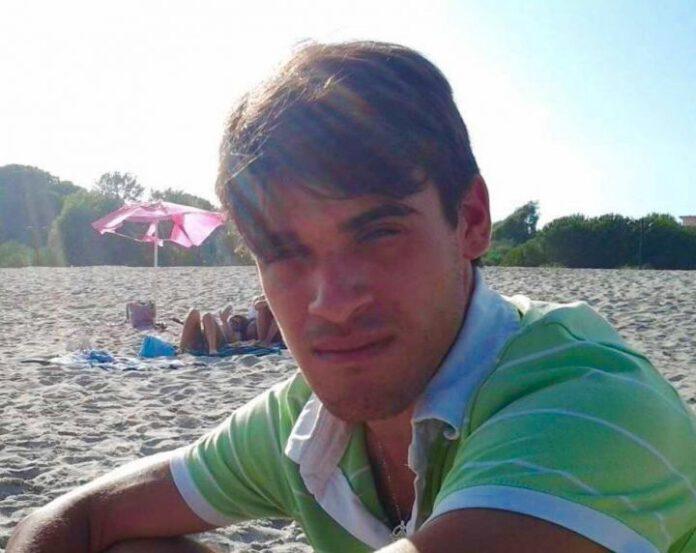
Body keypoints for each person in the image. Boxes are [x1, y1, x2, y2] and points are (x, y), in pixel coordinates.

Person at [8, 41, 696, 553]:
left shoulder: (590, 399)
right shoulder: (303, 425)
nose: (331, 302)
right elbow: (77, 517)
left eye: (378, 233)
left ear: (471, 220)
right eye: (285, 252)